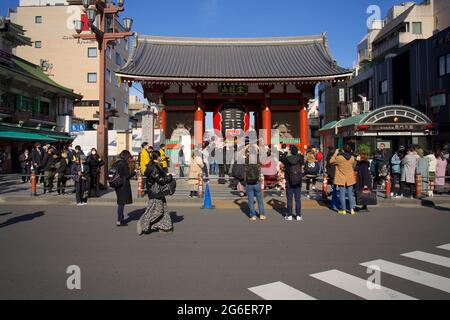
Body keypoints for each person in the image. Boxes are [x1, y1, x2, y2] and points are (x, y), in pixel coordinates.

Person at [138, 150, 174, 235]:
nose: (161, 157)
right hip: (155, 191)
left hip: (158, 191)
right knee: (158, 210)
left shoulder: (155, 165)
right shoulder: (154, 167)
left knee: (163, 208)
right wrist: (169, 177)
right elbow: (160, 180)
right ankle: (143, 223)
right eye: (160, 156)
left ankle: (164, 226)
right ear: (157, 157)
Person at [330, 145, 357, 215]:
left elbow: (331, 161)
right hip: (350, 177)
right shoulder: (352, 158)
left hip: (341, 178)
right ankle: (352, 209)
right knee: (350, 194)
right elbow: (354, 166)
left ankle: (344, 210)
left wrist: (335, 153)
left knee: (342, 194)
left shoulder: (339, 158)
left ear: (343, 151)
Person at [280, 145, 304, 221]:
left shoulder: (287, 159)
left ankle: (289, 215)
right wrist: (299, 153)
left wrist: (286, 152)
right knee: (298, 199)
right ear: (297, 151)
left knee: (289, 199)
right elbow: (303, 159)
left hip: (289, 180)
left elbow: (280, 158)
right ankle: (298, 215)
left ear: (290, 151)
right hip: (298, 180)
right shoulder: (300, 158)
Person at [113, 150, 136, 226]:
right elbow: (127, 176)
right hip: (123, 185)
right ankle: (119, 220)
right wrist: (134, 172)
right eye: (128, 156)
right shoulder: (124, 163)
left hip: (117, 184)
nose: (129, 158)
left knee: (120, 203)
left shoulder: (117, 162)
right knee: (121, 204)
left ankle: (121, 219)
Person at [243, 146, 265, 221]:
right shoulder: (258, 160)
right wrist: (257, 147)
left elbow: (241, 153)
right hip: (257, 181)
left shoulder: (246, 160)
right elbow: (263, 153)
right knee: (260, 200)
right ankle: (261, 215)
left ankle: (253, 216)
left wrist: (247, 147)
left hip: (249, 182)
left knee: (250, 200)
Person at [325, 146, 339, 211]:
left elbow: (326, 166)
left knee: (334, 190)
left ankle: (333, 203)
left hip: (331, 175)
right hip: (335, 175)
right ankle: (334, 204)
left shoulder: (327, 157)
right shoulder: (334, 158)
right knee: (335, 191)